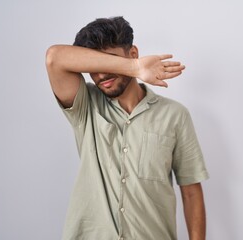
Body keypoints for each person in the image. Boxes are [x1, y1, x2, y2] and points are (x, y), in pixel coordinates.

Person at [45, 16, 209, 240]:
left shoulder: (175, 115)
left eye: (109, 61)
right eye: (95, 65)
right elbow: (55, 58)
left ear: (133, 53)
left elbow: (191, 192)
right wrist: (134, 68)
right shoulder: (85, 105)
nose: (101, 75)